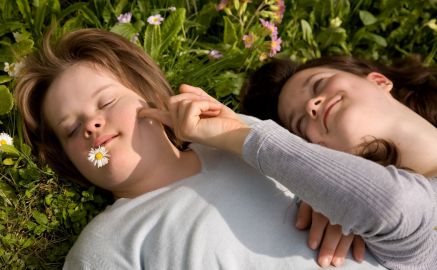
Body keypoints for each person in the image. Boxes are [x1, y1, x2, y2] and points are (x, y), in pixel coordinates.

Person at [13, 29, 385, 269]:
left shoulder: (239, 135)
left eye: (106, 103)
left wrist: (335, 200)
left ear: (150, 96)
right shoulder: (105, 246)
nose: (91, 126)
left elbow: (359, 177)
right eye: (72, 129)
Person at [141, 56, 437, 269]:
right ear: (320, 153)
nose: (312, 105)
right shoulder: (409, 233)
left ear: (379, 80)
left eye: (318, 84)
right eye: (298, 125)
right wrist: (238, 135)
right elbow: (395, 204)